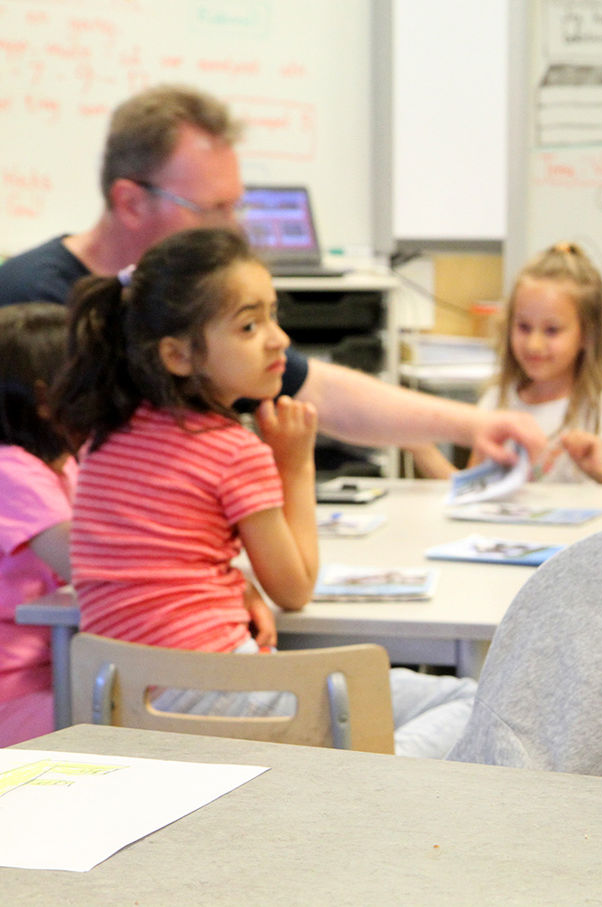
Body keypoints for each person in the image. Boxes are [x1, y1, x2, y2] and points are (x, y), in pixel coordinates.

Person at [52, 228, 473, 758]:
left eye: (274, 315)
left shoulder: (106, 438)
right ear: (178, 355)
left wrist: (235, 584)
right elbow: (294, 586)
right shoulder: (232, 449)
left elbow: (157, 562)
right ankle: (351, 787)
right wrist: (293, 464)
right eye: (250, 325)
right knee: (468, 700)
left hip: (123, 700)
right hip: (221, 691)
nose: (279, 339)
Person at [0, 82, 543, 468]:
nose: (232, 229)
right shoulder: (27, 304)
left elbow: (318, 391)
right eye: (212, 208)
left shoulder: (193, 302)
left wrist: (472, 426)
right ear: (130, 201)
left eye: (236, 206)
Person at [471, 241, 602, 484]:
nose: (534, 344)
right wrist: (424, 451)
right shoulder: (497, 401)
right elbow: (467, 490)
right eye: (523, 327)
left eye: (552, 330)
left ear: (587, 335)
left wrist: (601, 471)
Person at [0, 303, 77, 745]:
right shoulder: (12, 469)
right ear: (46, 401)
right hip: (16, 692)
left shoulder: (62, 466)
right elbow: (91, 565)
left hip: (56, 671)